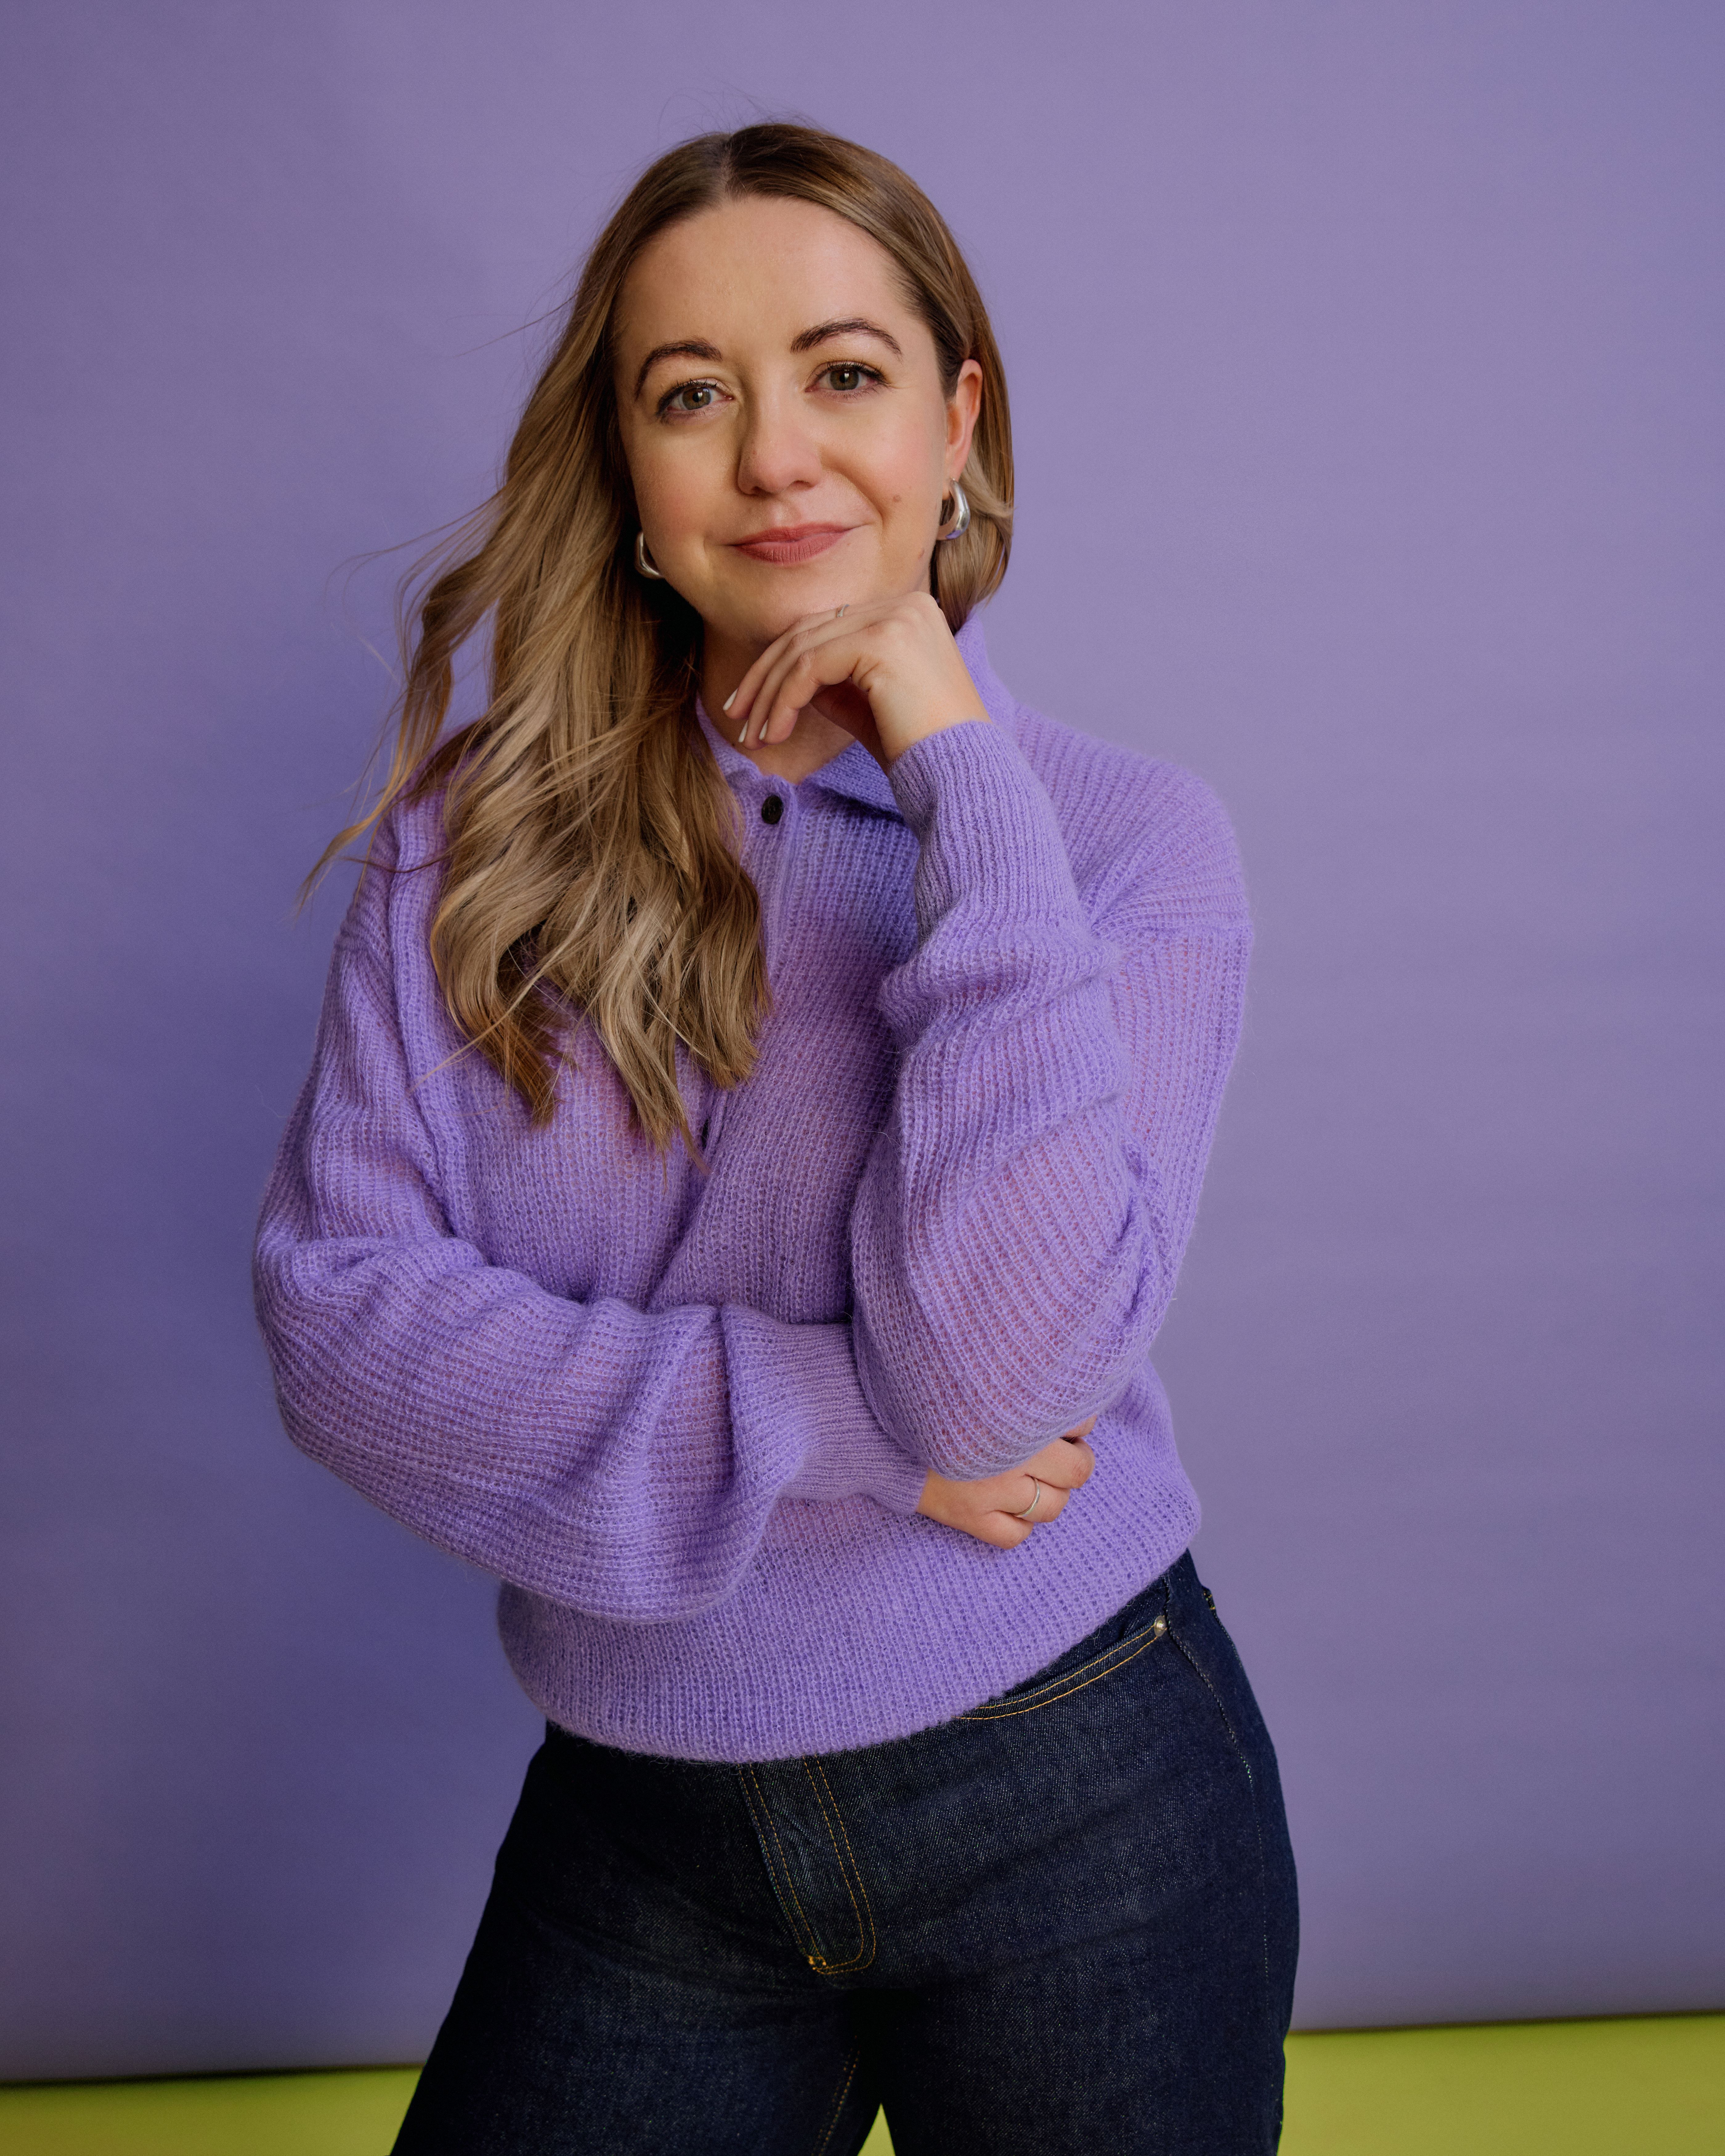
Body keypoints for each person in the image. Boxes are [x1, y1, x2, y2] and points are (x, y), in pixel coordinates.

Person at [253, 121, 1297, 2156]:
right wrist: (846, 1428)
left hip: (1086, 1793)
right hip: (649, 1820)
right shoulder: (476, 845)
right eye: (692, 397)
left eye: (844, 373)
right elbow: (342, 1330)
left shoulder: (1128, 848)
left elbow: (1001, 1373)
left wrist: (956, 768)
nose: (776, 458)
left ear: (955, 418)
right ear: (631, 478)